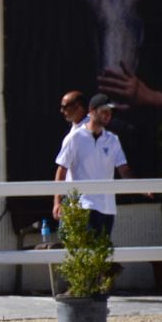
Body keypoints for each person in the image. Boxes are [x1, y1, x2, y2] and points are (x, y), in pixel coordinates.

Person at [52, 93, 140, 237]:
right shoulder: (75, 137)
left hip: (107, 206)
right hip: (83, 205)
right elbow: (61, 170)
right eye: (104, 111)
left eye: (110, 112)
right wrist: (57, 202)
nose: (108, 115)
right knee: (84, 253)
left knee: (101, 254)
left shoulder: (112, 140)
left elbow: (124, 169)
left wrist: (142, 188)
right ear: (92, 111)